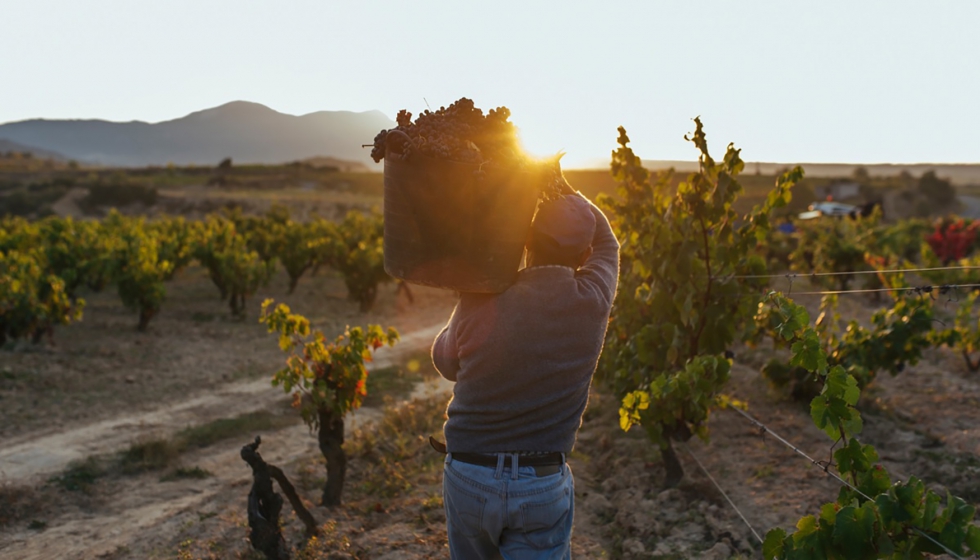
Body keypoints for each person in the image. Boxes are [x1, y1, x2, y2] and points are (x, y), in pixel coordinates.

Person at [430, 176, 620, 559]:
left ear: (527, 241)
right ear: (585, 255)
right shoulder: (594, 298)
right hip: (541, 481)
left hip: (470, 473)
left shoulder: (484, 296)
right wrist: (564, 185)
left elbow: (446, 363)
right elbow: (609, 242)